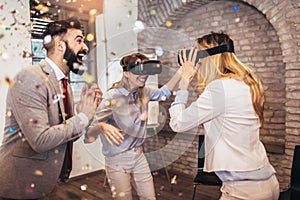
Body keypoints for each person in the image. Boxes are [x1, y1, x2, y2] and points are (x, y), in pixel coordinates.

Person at [169, 32, 279, 200]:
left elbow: (178, 123)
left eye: (198, 55)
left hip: (244, 191)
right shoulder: (249, 82)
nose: (196, 62)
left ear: (210, 58)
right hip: (267, 182)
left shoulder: (219, 89)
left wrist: (183, 85)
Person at [0, 18, 102, 199]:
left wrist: (87, 114)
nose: (85, 48)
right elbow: (40, 140)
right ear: (60, 46)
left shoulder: (64, 83)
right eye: (79, 40)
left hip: (48, 182)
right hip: (19, 185)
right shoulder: (30, 77)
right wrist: (82, 118)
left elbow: (67, 135)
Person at [85, 53, 183, 200]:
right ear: (126, 73)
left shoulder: (145, 92)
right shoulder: (112, 97)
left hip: (139, 155)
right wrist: (101, 126)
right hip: (117, 160)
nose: (144, 75)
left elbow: (164, 93)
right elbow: (88, 134)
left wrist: (182, 71)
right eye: (139, 70)